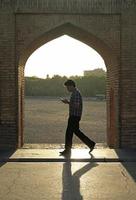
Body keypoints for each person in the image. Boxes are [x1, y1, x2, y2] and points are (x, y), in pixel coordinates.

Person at [60, 79, 95, 156]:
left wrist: (67, 102)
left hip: (74, 116)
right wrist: (68, 102)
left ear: (72, 86)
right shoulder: (75, 93)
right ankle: (91, 144)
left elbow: (76, 106)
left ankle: (67, 150)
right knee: (76, 132)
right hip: (75, 116)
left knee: (69, 133)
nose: (67, 89)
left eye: (68, 87)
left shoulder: (76, 93)